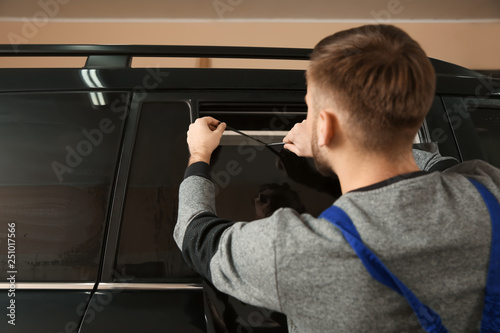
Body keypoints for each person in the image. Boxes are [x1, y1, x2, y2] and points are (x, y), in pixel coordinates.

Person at [174, 24, 500, 332]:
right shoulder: (488, 187)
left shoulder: (299, 251)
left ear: (326, 126)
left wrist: (199, 155)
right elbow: (441, 165)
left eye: (309, 111)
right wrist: (328, 145)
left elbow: (196, 234)